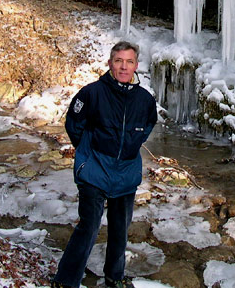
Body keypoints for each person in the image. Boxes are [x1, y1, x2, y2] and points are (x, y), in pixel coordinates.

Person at [52, 41, 158, 288]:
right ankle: (66, 280)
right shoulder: (92, 93)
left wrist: (129, 146)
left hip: (126, 173)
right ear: (110, 63)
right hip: (95, 169)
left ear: (136, 65)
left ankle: (115, 277)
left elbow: (148, 125)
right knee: (89, 226)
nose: (124, 66)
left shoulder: (144, 99)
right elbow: (74, 124)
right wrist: (87, 152)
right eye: (119, 61)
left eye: (129, 61)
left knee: (120, 229)